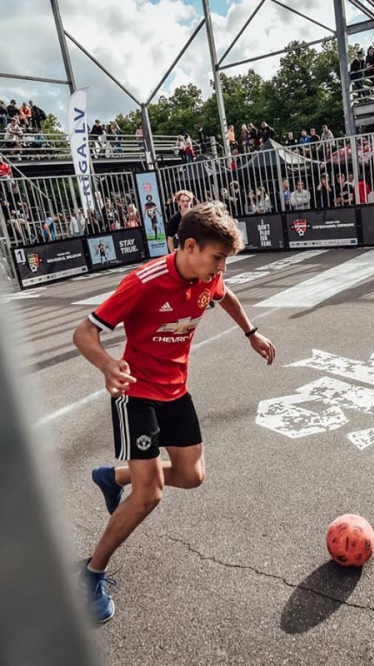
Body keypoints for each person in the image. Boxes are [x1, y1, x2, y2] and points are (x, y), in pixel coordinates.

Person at [74, 202, 276, 624]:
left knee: (192, 476)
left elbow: (225, 296)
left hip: (175, 391)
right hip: (137, 392)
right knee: (149, 496)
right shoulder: (144, 282)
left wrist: (251, 333)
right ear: (189, 246)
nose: (221, 268)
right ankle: (91, 573)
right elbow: (85, 331)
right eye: (217, 258)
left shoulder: (208, 277)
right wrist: (108, 365)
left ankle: (114, 477)